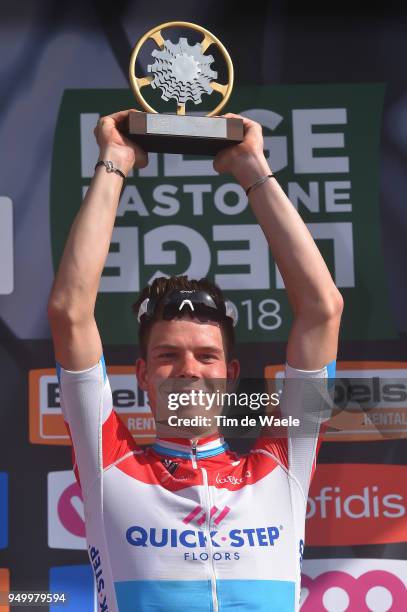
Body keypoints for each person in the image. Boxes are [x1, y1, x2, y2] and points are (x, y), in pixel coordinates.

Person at [48, 109, 343, 612]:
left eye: (206, 355)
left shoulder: (282, 463)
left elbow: (322, 311)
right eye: (168, 355)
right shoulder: (109, 464)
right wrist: (115, 162)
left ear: (230, 374)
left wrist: (253, 168)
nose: (189, 369)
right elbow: (70, 312)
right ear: (143, 374)